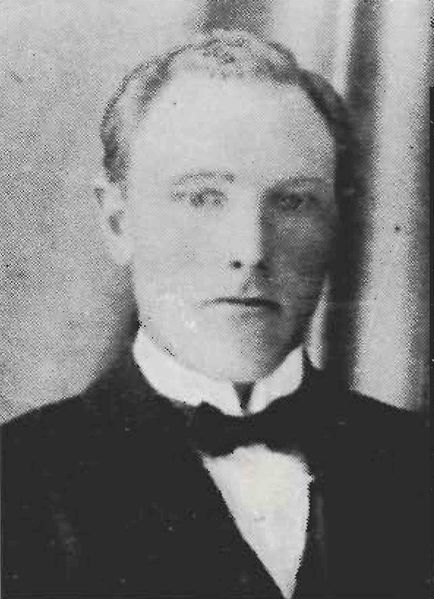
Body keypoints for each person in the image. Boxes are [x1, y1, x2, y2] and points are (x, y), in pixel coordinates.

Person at [2, 30, 428, 599]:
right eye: (202, 197)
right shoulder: (17, 480)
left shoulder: (416, 460)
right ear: (117, 222)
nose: (250, 250)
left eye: (294, 201)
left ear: (337, 224)